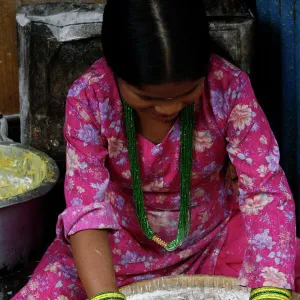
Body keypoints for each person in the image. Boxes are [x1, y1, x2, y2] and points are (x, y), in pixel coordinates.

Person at [13, 0, 300, 299]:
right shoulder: (90, 97)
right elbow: (86, 208)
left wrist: (270, 289)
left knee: (279, 273)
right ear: (114, 68)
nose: (168, 108)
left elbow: (264, 189)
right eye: (146, 98)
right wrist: (104, 296)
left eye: (187, 92)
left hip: (212, 240)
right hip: (114, 249)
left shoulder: (229, 87)